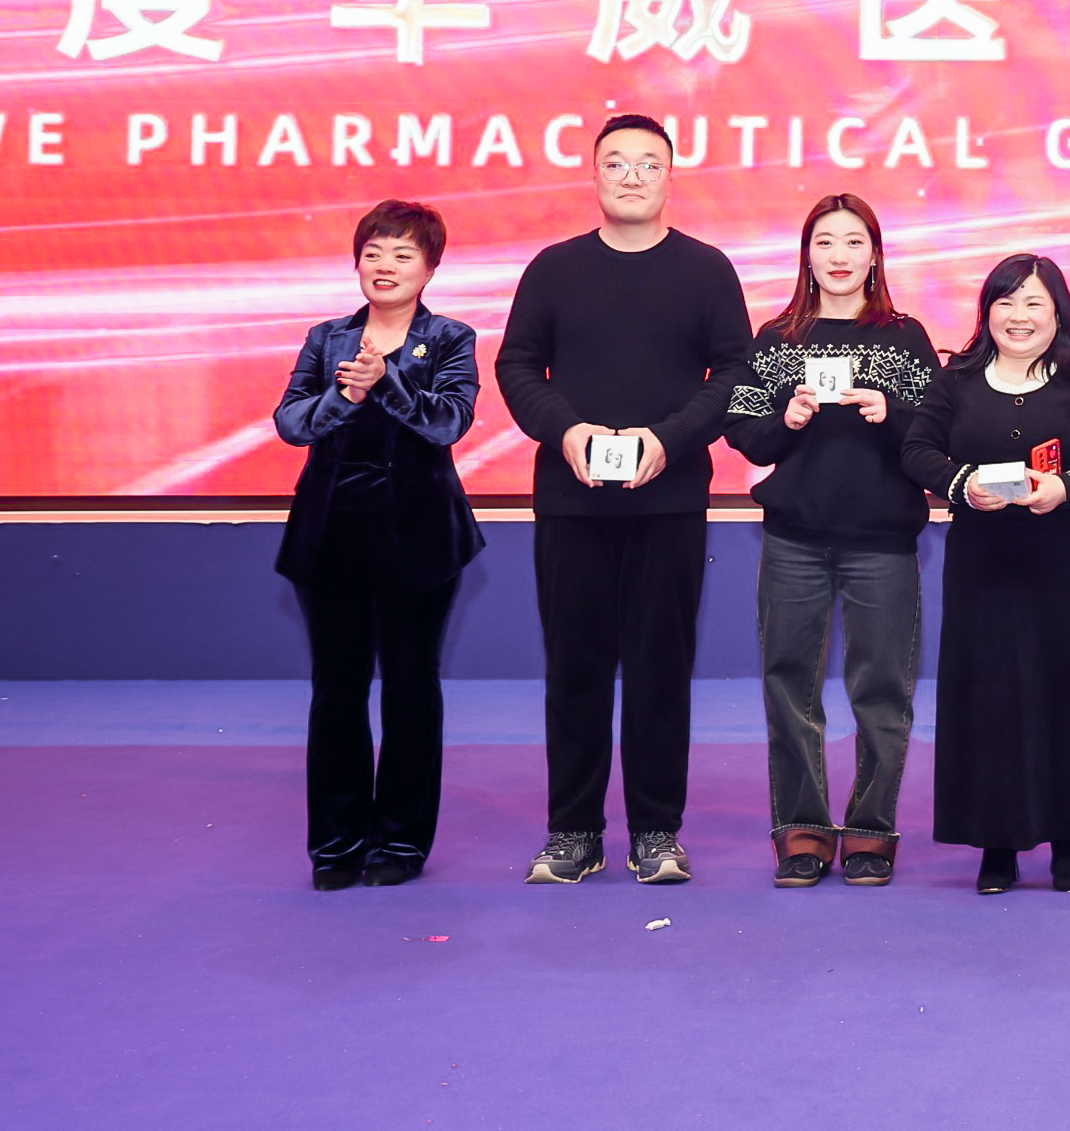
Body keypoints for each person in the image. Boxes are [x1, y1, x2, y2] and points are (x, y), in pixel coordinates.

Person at [495, 115, 751, 887]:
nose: (631, 175)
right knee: (573, 669)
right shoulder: (554, 268)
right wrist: (565, 430)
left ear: (670, 176)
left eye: (647, 163)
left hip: (668, 503)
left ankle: (656, 830)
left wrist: (667, 439)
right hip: (569, 503)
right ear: (595, 175)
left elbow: (735, 374)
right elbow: (517, 365)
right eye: (616, 162)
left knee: (659, 671)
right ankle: (573, 831)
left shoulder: (706, 269)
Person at [902, 255, 1070, 893]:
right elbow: (917, 450)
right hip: (980, 565)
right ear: (987, 312)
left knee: (1064, 693)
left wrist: (1068, 487)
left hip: (1058, 565)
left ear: (1058, 312)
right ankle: (997, 844)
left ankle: (1069, 842)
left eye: (1034, 302)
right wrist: (961, 484)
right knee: (988, 698)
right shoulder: (956, 379)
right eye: (1005, 302)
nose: (1019, 316)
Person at [724, 195, 940, 887]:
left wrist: (890, 412)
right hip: (794, 540)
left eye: (853, 241)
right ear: (807, 254)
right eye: (825, 241)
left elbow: (939, 436)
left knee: (883, 690)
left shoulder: (904, 337)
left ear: (874, 254)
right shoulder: (777, 337)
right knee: (790, 685)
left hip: (883, 542)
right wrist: (786, 419)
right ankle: (803, 830)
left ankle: (871, 831)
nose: (839, 255)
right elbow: (746, 433)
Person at [272, 200, 483, 890]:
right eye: (373, 252)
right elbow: (291, 422)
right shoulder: (326, 337)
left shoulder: (450, 338)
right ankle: (335, 845)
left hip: (419, 541)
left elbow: (448, 423)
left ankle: (399, 841)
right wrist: (347, 396)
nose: (384, 265)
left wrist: (385, 382)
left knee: (410, 690)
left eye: (402, 254)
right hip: (331, 539)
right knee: (336, 690)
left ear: (429, 268)